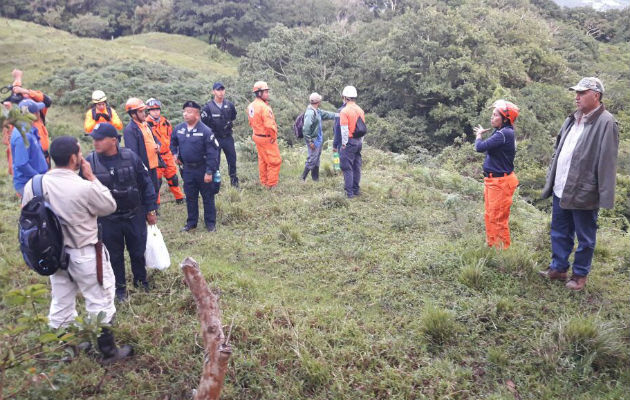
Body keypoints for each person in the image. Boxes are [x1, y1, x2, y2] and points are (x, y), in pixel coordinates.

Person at [21, 135, 133, 364]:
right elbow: (109, 206)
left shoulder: (34, 184)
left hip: (53, 255)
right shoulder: (83, 187)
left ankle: (65, 350)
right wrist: (92, 177)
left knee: (61, 301)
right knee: (99, 299)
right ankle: (108, 351)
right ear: (74, 158)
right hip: (84, 253)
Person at [539, 77, 619, 291]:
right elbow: (559, 150)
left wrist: (604, 196)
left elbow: (607, 163)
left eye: (582, 93)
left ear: (596, 95)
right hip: (561, 186)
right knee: (559, 230)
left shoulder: (606, 122)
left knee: (585, 237)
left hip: (585, 191)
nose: (577, 97)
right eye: (576, 92)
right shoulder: (572, 118)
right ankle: (558, 268)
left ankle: (579, 276)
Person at [85, 123, 158, 301]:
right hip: (107, 220)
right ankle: (119, 289)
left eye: (100, 139)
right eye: (94, 139)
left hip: (134, 214)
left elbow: (145, 182)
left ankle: (141, 282)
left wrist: (150, 209)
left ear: (113, 140)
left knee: (138, 250)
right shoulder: (89, 162)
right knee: (113, 255)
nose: (96, 143)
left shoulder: (131, 157)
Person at [473, 100, 520, 250]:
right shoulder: (501, 132)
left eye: (495, 115)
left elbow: (480, 147)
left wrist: (479, 135)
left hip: (500, 182)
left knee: (498, 218)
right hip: (494, 181)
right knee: (490, 215)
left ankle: (502, 251)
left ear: (505, 118)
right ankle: (493, 245)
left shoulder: (504, 134)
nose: (491, 118)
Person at [171, 101, 220, 232]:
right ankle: (191, 223)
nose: (185, 114)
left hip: (203, 168)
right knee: (190, 197)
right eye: (185, 111)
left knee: (208, 197)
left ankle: (210, 224)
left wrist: (209, 172)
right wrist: (175, 154)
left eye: (189, 112)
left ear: (197, 115)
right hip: (187, 169)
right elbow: (173, 142)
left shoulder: (205, 131)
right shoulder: (179, 129)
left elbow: (212, 153)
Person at [145, 98, 185, 204]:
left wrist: (176, 152)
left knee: (173, 178)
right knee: (156, 182)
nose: (156, 111)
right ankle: (155, 204)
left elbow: (172, 138)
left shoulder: (166, 122)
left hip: (168, 155)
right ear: (148, 111)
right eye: (153, 110)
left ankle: (179, 198)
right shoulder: (145, 125)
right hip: (155, 157)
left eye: (157, 109)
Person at [9, 70, 53, 165]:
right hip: (32, 161)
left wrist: (24, 89)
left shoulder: (39, 115)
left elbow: (47, 100)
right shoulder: (18, 124)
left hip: (44, 158)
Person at [201, 82, 239, 187]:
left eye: (222, 89)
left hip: (227, 137)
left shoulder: (229, 105)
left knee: (232, 160)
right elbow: (203, 124)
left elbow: (233, 117)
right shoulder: (207, 107)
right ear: (214, 91)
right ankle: (215, 184)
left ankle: (234, 183)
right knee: (214, 162)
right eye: (218, 90)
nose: (221, 92)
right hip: (215, 139)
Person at [123, 97, 160, 203]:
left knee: (154, 190)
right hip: (143, 169)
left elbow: (155, 139)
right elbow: (133, 154)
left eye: (144, 110)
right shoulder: (130, 130)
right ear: (133, 114)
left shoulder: (146, 124)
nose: (144, 113)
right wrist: (141, 171)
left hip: (153, 166)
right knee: (146, 193)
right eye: (141, 111)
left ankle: (154, 211)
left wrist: (158, 145)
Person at [247, 81, 281, 188]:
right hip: (266, 137)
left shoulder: (251, 106)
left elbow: (250, 122)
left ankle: (264, 182)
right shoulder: (264, 108)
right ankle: (271, 185)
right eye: (265, 92)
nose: (267, 94)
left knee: (263, 160)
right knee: (274, 161)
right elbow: (269, 125)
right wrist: (273, 136)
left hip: (257, 136)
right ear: (259, 93)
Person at [10, 102, 48, 196]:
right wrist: (38, 178)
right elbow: (22, 164)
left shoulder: (29, 129)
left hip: (33, 181)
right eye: (37, 111)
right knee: (35, 209)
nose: (39, 113)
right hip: (28, 183)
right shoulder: (23, 136)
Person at [300, 92, 337, 181]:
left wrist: (338, 115)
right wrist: (310, 142)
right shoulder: (310, 113)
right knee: (312, 159)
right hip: (314, 140)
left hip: (318, 139)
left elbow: (327, 114)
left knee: (316, 159)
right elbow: (306, 129)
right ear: (318, 101)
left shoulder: (317, 111)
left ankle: (315, 178)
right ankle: (302, 178)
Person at [339, 86, 365, 198]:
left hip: (349, 141)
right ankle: (356, 190)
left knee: (347, 167)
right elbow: (362, 128)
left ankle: (349, 193)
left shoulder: (344, 111)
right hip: (359, 141)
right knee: (356, 166)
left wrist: (344, 144)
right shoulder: (360, 110)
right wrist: (360, 142)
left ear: (345, 97)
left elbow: (344, 130)